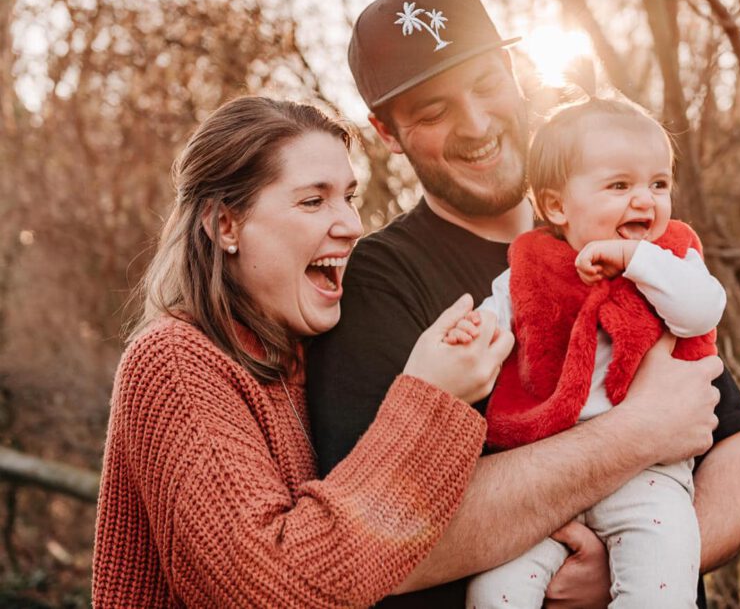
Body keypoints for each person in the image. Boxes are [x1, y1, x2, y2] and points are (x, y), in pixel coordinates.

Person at [306, 0, 740, 607]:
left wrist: (626, 569)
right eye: (433, 110)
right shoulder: (378, 283)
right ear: (387, 133)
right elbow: (373, 538)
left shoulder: (621, 237)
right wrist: (636, 433)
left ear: (513, 69)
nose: (475, 124)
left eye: (485, 84)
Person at [91, 96, 514, 607]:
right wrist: (429, 398)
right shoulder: (175, 360)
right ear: (226, 225)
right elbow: (271, 588)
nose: (352, 225)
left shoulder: (311, 349)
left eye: (349, 198)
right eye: (314, 202)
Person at [457, 96, 725, 608]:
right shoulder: (531, 267)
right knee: (494, 591)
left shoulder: (671, 256)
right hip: (542, 476)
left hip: (647, 477)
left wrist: (636, 259)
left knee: (662, 581)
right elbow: (500, 316)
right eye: (620, 185)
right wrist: (474, 332)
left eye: (658, 183)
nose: (645, 201)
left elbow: (701, 309)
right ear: (557, 205)